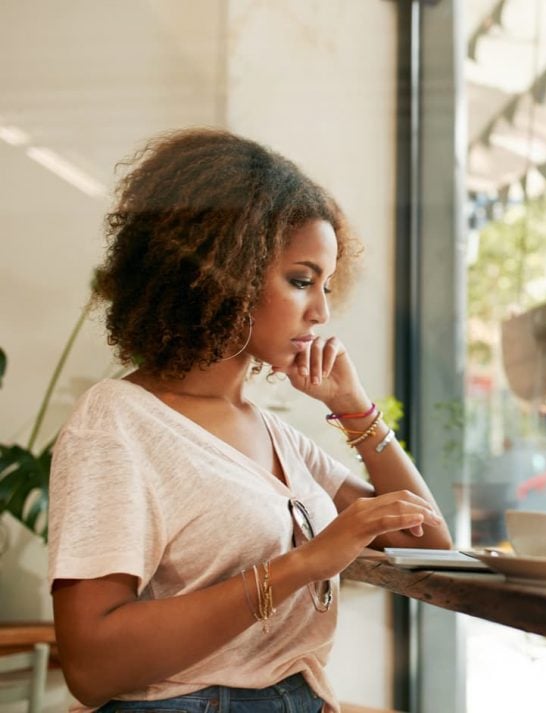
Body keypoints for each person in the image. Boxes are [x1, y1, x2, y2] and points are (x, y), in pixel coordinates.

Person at [47, 128, 452, 712]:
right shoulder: (118, 421)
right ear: (221, 273)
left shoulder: (275, 435)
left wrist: (354, 409)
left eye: (328, 285)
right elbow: (92, 666)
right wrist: (306, 563)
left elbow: (430, 544)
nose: (322, 311)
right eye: (301, 280)